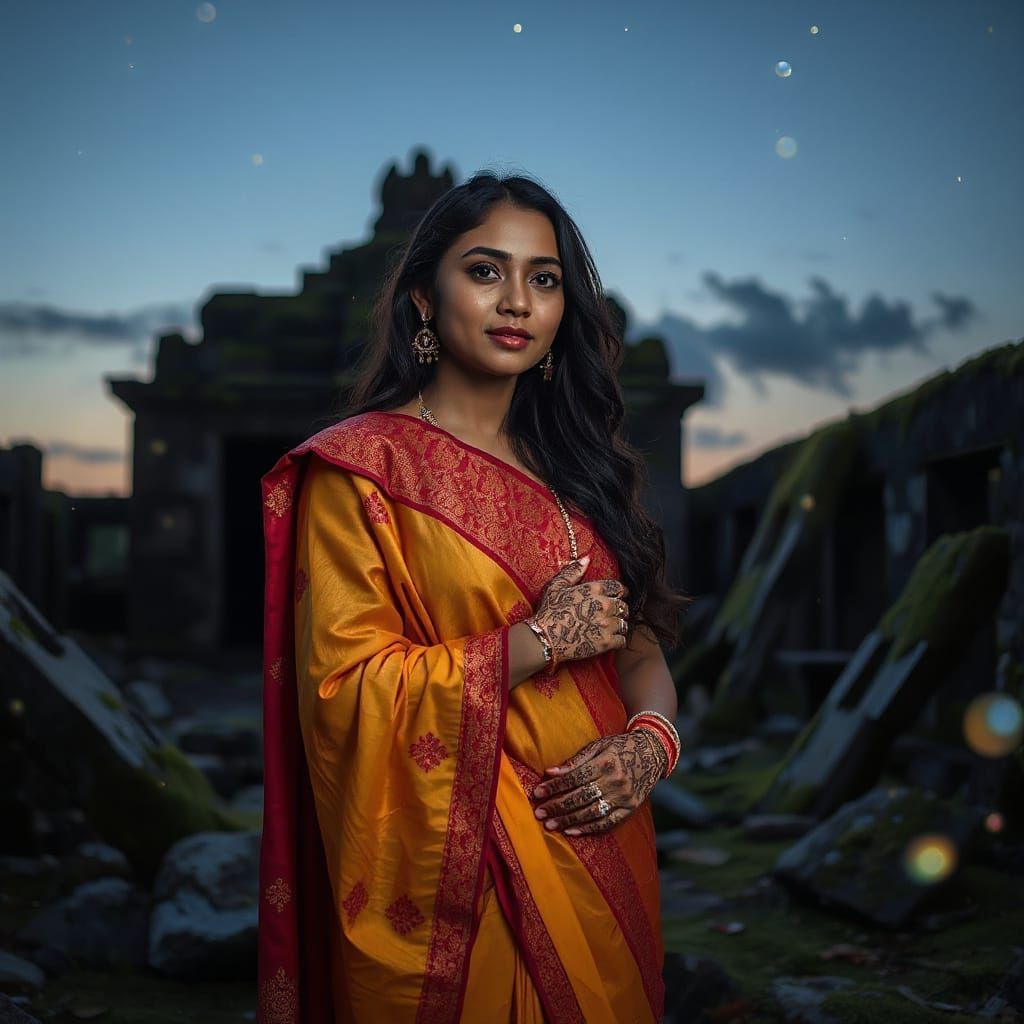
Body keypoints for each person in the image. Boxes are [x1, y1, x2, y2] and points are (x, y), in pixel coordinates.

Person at [257, 171, 690, 1024]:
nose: (516, 301)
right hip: (456, 875)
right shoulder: (361, 472)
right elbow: (341, 691)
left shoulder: (583, 471)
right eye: (485, 271)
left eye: (544, 278)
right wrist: (537, 641)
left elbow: (638, 651)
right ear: (424, 296)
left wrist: (651, 748)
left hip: (601, 852)